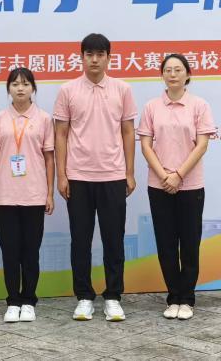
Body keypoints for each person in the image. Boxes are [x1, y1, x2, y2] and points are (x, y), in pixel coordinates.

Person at [53, 33, 137, 322]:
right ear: (82, 57)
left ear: (108, 58)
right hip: (78, 176)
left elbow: (128, 131)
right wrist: (62, 175)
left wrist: (129, 172)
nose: (94, 60)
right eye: (89, 54)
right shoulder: (67, 90)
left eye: (100, 54)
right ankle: (84, 297)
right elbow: (60, 134)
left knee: (114, 240)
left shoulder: (122, 89)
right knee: (80, 240)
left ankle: (113, 296)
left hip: (113, 174)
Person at [138, 54, 215, 321]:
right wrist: (164, 176)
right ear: (162, 75)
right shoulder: (151, 107)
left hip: (191, 185)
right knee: (166, 244)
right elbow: (146, 145)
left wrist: (178, 175)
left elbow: (202, 145)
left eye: (178, 70)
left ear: (187, 75)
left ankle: (187, 298)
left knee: (190, 244)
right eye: (168, 70)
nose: (172, 74)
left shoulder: (199, 105)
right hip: (159, 185)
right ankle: (173, 298)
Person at [0, 68, 56, 323]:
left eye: (25, 84)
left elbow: (49, 158)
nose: (20, 88)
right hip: (5, 195)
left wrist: (49, 193)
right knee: (10, 251)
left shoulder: (44, 119)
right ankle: (13, 301)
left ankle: (29, 300)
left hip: (34, 195)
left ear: (33, 88)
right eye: (15, 84)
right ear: (8, 89)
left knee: (31, 252)